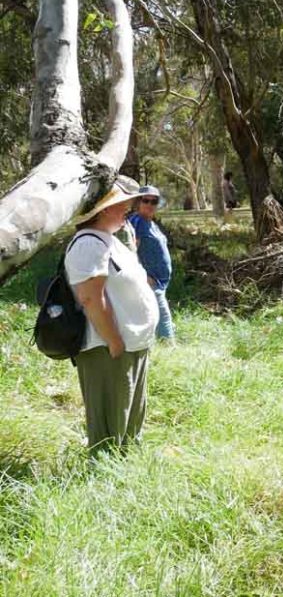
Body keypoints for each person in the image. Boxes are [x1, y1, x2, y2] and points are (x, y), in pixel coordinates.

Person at [65, 176, 160, 455]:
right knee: (110, 424)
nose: (128, 209)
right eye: (122, 204)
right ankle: (105, 474)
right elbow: (90, 297)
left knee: (130, 417)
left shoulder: (107, 239)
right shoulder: (87, 244)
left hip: (131, 344)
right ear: (105, 208)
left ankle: (127, 467)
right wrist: (114, 341)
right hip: (108, 348)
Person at [128, 186, 175, 341]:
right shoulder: (137, 222)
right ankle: (170, 349)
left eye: (154, 201)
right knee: (164, 319)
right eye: (145, 200)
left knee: (154, 317)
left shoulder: (151, 223)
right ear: (137, 202)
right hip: (150, 282)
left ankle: (153, 345)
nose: (149, 204)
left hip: (160, 282)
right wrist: (143, 276)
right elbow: (130, 252)